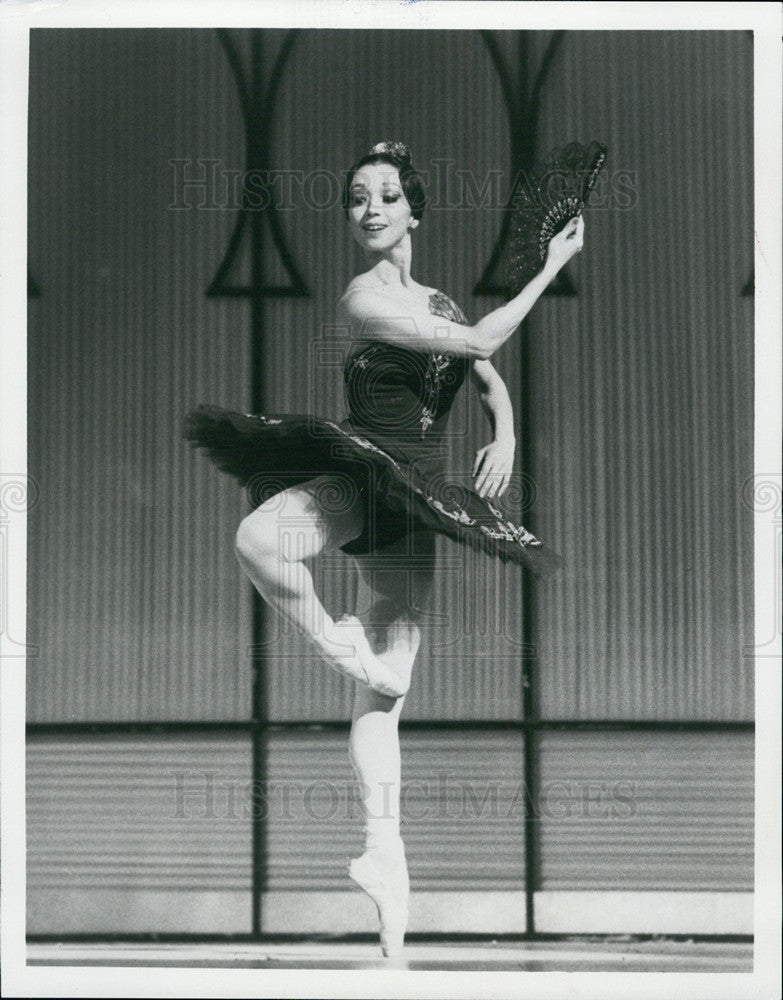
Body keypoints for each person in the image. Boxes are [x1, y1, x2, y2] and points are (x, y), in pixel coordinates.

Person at [184, 140, 585, 958]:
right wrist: (549, 267)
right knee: (261, 539)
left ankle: (385, 866)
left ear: (414, 211)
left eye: (385, 195)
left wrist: (504, 426)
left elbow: (478, 366)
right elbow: (476, 344)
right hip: (361, 479)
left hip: (417, 505)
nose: (369, 208)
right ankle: (333, 640)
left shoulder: (433, 302)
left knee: (386, 699)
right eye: (357, 198)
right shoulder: (363, 298)